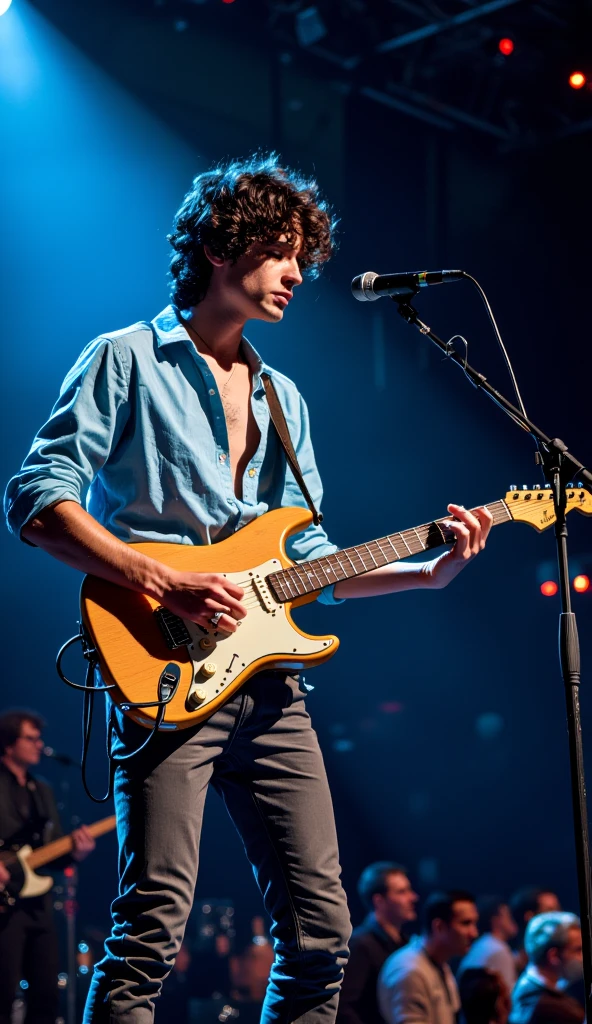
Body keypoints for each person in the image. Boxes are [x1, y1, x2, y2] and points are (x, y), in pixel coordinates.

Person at [4, 153, 492, 1024]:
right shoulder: (125, 359)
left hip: (271, 686)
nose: (299, 273)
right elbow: (36, 501)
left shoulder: (285, 399)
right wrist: (163, 579)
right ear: (223, 249)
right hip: (162, 671)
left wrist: (430, 568)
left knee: (323, 935)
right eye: (280, 251)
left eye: (304, 255)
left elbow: (311, 558)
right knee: (151, 927)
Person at [0, 709, 96, 1024]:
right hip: (5, 906)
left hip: (38, 904)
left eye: (39, 739)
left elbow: (51, 849)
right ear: (9, 744)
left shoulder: (43, 790)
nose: (39, 745)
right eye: (31, 738)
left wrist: (75, 853)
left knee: (46, 993)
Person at [377, 889, 479, 1024]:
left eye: (474, 923)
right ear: (439, 927)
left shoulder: (439, 963)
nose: (474, 933)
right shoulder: (410, 971)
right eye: (466, 923)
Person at [337, 861, 418, 1024]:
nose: (413, 897)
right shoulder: (360, 945)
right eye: (402, 892)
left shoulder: (407, 943)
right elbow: (345, 1008)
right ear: (379, 901)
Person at [509, 912, 584, 1023]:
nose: (583, 957)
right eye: (578, 950)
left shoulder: (546, 988)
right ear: (553, 956)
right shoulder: (541, 1007)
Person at [458, 895, 518, 992]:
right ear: (496, 920)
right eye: (508, 915)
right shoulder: (498, 949)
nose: (513, 920)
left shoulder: (483, 944)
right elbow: (509, 994)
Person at [509, 888, 561, 976]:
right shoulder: (515, 963)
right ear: (530, 917)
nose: (560, 917)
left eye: (558, 910)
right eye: (550, 911)